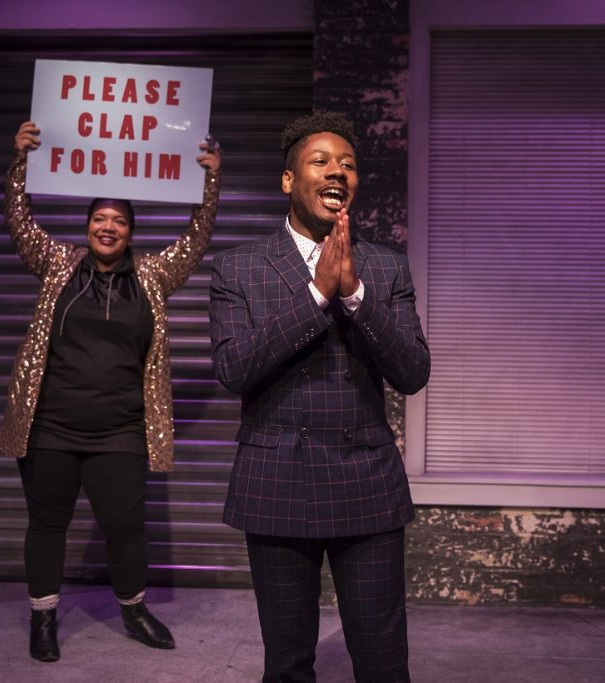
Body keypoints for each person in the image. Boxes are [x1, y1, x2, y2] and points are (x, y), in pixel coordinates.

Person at [208, 111, 429, 682]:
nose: (338, 172)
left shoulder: (384, 266)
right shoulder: (239, 267)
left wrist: (354, 294)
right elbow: (234, 368)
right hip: (276, 479)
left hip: (367, 481)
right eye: (322, 161)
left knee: (383, 660)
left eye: (349, 164)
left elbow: (412, 371)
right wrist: (314, 296)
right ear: (288, 180)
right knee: (287, 662)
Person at [0, 120, 221, 662]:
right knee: (47, 525)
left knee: (126, 528)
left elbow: (196, 241)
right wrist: (21, 163)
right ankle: (44, 616)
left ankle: (134, 608)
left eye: (118, 220)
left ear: (130, 231)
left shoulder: (151, 276)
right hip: (50, 425)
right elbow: (19, 222)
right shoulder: (58, 265)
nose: (107, 227)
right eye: (99, 218)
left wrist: (209, 183)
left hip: (121, 430)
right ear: (87, 225)